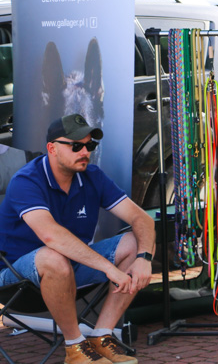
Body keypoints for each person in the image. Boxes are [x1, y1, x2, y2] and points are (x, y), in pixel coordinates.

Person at [0, 114, 155, 364]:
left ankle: (101, 336)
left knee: (135, 243)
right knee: (54, 257)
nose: (85, 152)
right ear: (51, 148)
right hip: (15, 276)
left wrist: (144, 257)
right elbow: (51, 235)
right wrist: (108, 269)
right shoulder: (26, 180)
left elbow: (142, 219)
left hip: (69, 269)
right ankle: (74, 348)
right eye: (76, 146)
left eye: (89, 146)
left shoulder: (92, 176)